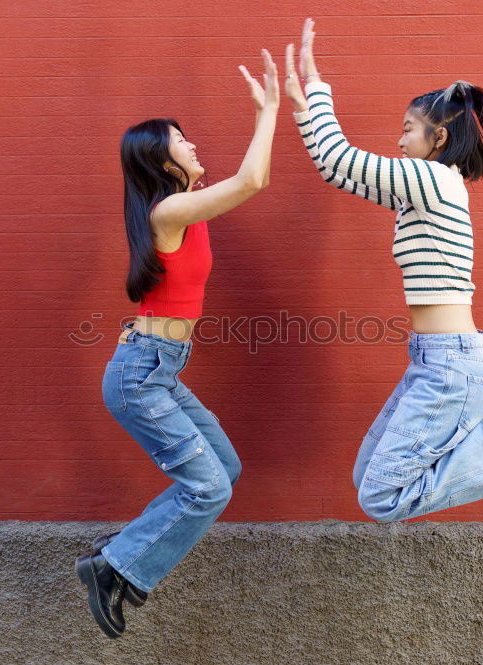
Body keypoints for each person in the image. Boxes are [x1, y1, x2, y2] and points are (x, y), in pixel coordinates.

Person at [284, 19, 483, 523]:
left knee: (380, 498)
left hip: (450, 366)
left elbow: (337, 156)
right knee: (367, 477)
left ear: (438, 136)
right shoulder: (424, 187)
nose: (398, 141)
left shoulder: (431, 178)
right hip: (434, 361)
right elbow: (336, 172)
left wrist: (314, 91)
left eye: (407, 129)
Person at [76, 50, 280, 639]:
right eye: (180, 140)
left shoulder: (185, 208)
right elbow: (255, 180)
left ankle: (125, 554)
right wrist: (268, 111)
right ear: (158, 160)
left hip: (156, 370)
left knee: (226, 469)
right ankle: (117, 566)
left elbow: (234, 188)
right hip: (142, 374)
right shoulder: (170, 209)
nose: (192, 145)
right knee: (207, 487)